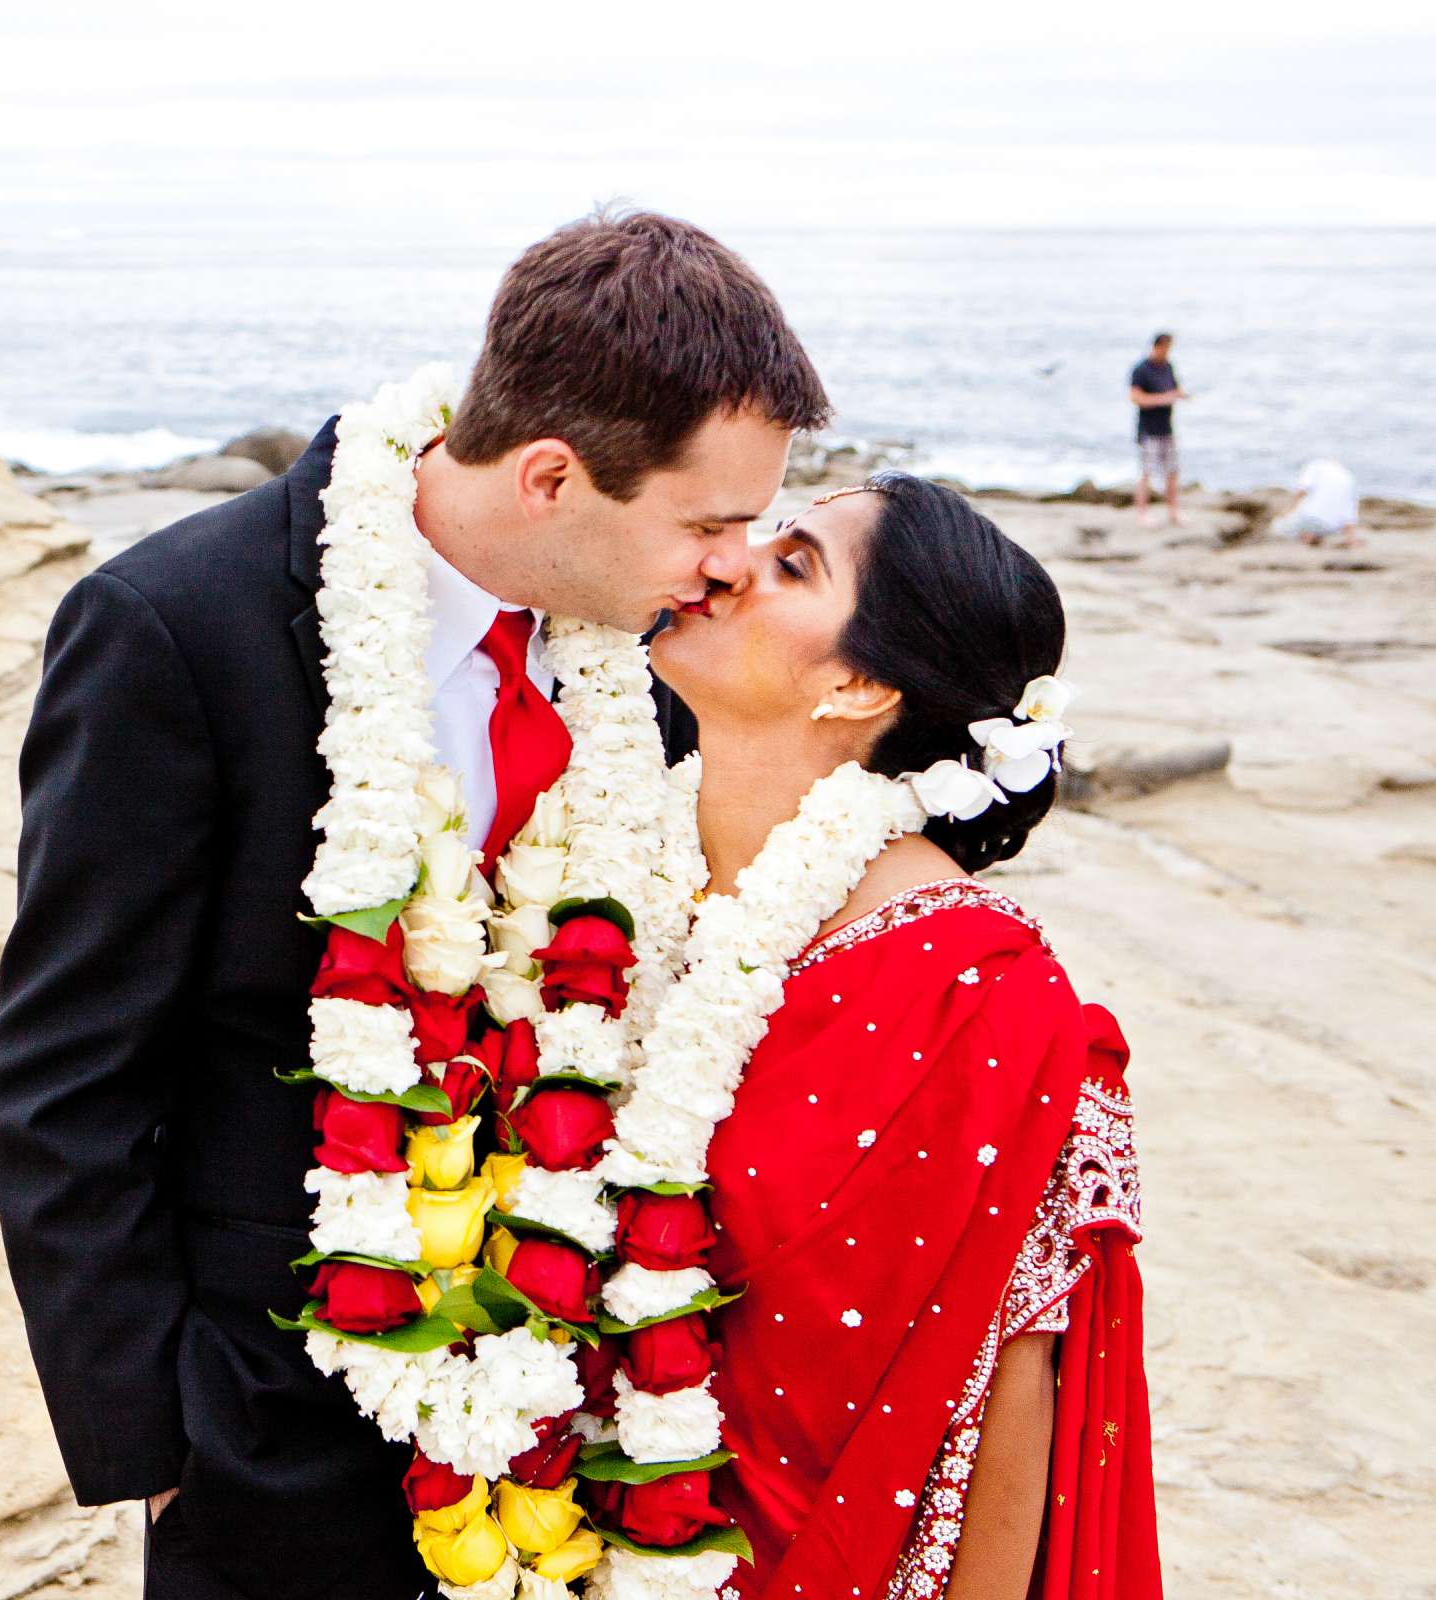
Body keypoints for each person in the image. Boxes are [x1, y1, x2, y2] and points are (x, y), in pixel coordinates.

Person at [0, 211, 831, 1600]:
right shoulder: (175, 628)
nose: (735, 562)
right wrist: (155, 1438)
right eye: (709, 521)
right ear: (553, 478)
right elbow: (62, 1075)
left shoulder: (648, 665)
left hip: (579, 1392)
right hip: (270, 1408)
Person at [647, 474, 1159, 1598]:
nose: (725, 559)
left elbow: (1009, 1412)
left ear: (861, 683)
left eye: (793, 565)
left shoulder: (982, 991)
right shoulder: (595, 868)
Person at [1128, 332, 1186, 528]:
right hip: (1148, 431)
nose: (1168, 352)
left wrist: (1179, 396)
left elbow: (1174, 390)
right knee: (1147, 473)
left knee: (1172, 471)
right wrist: (1163, 398)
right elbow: (1136, 398)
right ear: (1158, 346)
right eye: (1166, 348)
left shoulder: (1168, 366)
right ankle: (1141, 514)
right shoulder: (1141, 370)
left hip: (1167, 429)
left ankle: (1173, 512)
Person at [1275, 457, 1361, 548]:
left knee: (1279, 526)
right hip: (1330, 527)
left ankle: (1306, 536)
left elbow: (1302, 491)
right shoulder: (1348, 477)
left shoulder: (1316, 465)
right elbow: (1349, 514)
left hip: (1309, 518)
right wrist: (1352, 539)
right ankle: (1312, 535)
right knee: (1317, 524)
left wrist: (1289, 511)